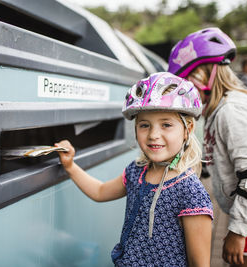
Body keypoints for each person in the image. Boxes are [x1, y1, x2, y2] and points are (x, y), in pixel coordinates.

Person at [55, 72, 213, 267]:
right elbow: (99, 191)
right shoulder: (136, 172)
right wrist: (70, 166)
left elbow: (200, 263)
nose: (154, 135)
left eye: (166, 125)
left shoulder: (190, 191)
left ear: (187, 129)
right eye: (144, 125)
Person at [168, 27, 247, 266]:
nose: (184, 91)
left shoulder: (231, 111)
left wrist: (238, 231)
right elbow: (217, 161)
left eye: (185, 81)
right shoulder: (217, 111)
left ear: (204, 73)